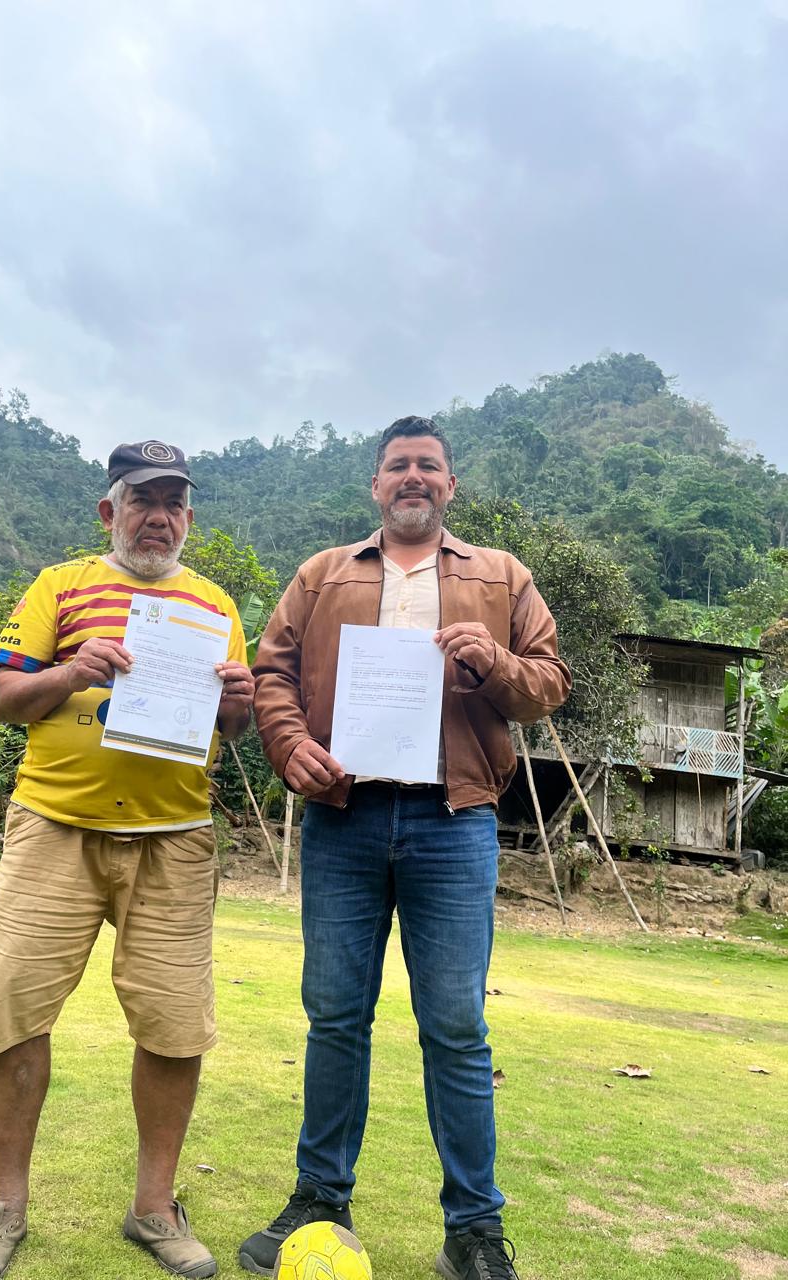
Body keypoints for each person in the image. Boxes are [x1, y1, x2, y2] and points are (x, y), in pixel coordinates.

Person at [240, 416, 571, 1280]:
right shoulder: (322, 574)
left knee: (456, 1027)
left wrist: (493, 660)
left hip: (453, 823)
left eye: (429, 465)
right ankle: (320, 1198)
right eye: (398, 466)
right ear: (376, 485)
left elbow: (549, 685)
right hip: (343, 817)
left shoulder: (502, 575)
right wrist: (288, 744)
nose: (413, 477)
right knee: (335, 1015)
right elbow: (272, 673)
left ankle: (474, 1230)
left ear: (450, 485)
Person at [0, 440, 254, 1280]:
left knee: (174, 1026)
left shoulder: (214, 604)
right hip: (54, 827)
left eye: (173, 503)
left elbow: (231, 727)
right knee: (15, 1013)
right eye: (142, 499)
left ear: (188, 517)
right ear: (109, 510)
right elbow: (3, 698)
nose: (159, 517)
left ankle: (154, 1208)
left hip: (175, 837)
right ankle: (4, 1208)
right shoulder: (60, 585)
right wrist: (72, 671)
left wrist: (238, 703)